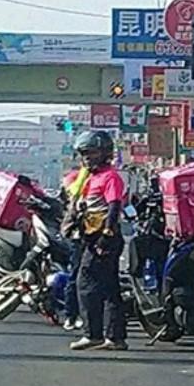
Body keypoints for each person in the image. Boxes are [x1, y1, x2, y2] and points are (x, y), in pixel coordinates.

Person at [68, 130, 128, 351]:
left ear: (104, 153)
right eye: (84, 154)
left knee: (86, 283)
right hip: (91, 237)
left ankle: (92, 333)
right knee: (110, 288)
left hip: (104, 239)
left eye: (91, 153)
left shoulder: (110, 177)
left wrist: (106, 236)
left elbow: (114, 208)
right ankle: (116, 337)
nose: (87, 158)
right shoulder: (91, 178)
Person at [59, 165, 88, 332]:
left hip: (89, 238)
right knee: (77, 276)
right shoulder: (76, 198)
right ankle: (71, 315)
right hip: (80, 238)